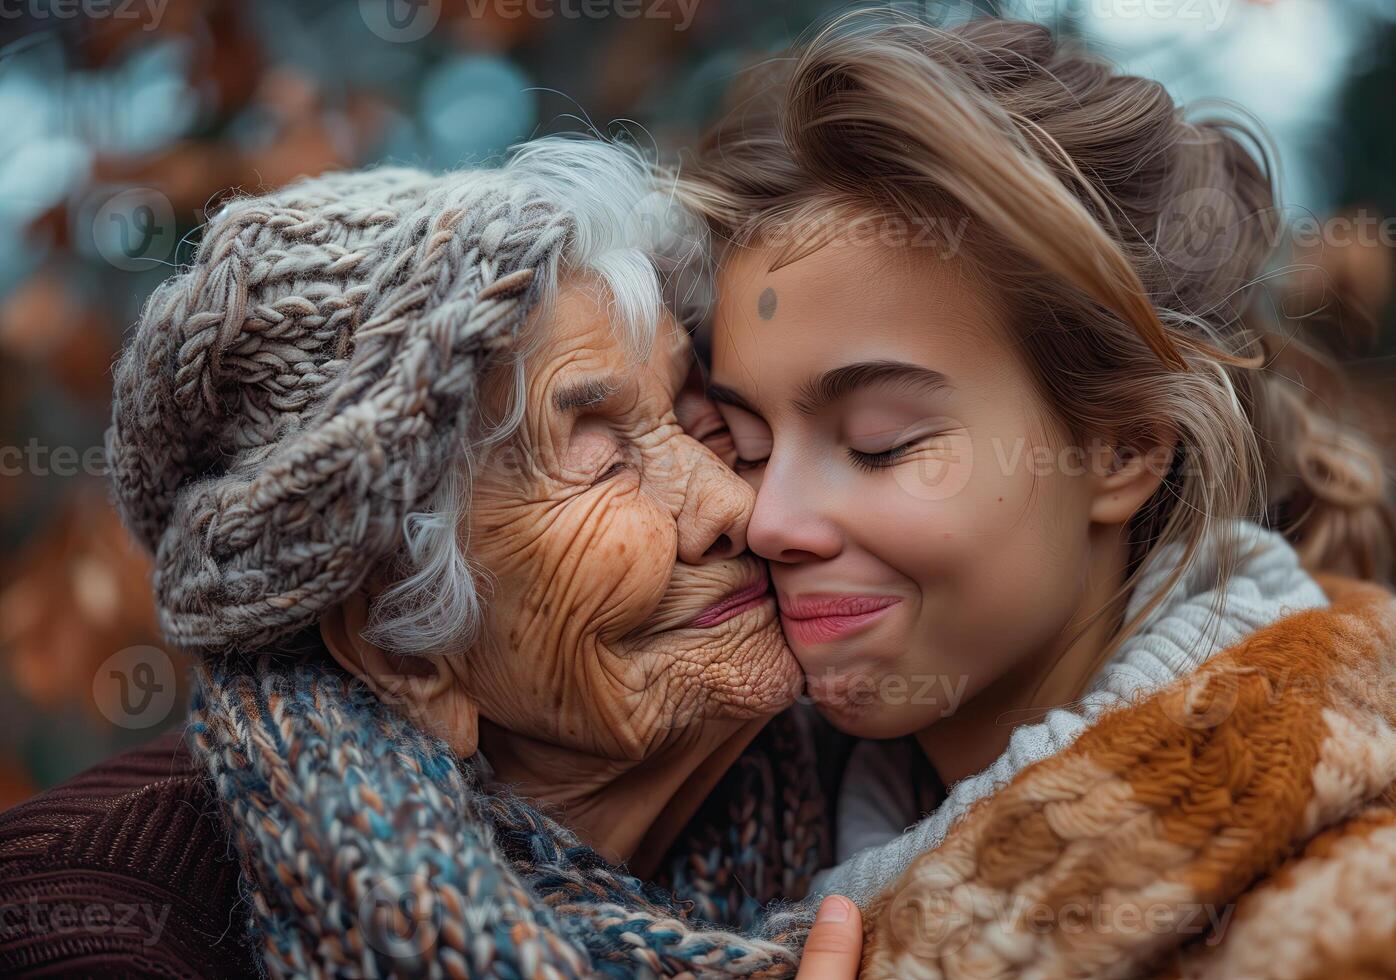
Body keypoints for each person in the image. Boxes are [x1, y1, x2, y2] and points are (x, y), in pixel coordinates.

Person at [682, 12, 1396, 975]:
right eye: (748, 444)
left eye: (880, 446)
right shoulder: (712, 845)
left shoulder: (1391, 923)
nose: (769, 521)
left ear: (1123, 448)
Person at [0, 136, 866, 978]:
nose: (732, 500)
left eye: (697, 413)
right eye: (603, 463)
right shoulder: (88, 927)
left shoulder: (876, 771)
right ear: (403, 654)